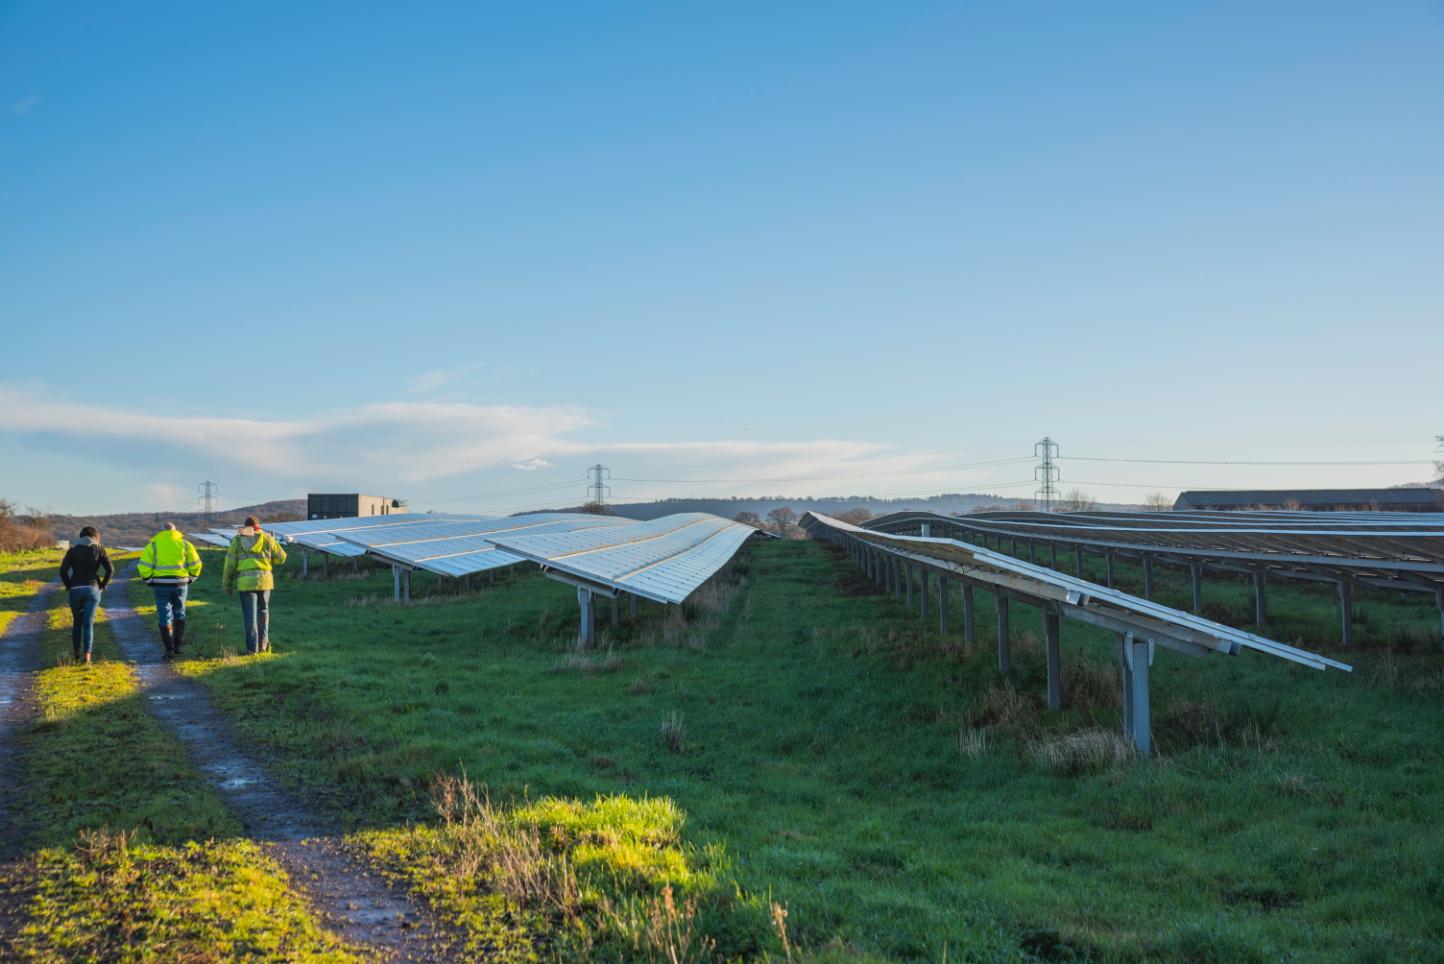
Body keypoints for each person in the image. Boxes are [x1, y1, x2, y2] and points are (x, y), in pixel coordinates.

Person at [223, 516, 287, 655]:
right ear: (258, 526)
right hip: (264, 582)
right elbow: (281, 558)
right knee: (263, 612)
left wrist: (227, 586)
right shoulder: (267, 539)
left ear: (245, 527)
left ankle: (252, 650)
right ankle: (263, 646)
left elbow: (229, 565)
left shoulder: (237, 540)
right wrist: (272, 544)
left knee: (250, 617)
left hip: (246, 583)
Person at [138, 523, 203, 659]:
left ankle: (169, 649)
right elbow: (196, 564)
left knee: (164, 616)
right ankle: (178, 646)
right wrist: (190, 579)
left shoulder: (153, 545)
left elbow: (143, 567)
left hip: (160, 585)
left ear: (162, 531)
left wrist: (149, 581)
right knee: (180, 612)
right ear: (175, 531)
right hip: (181, 584)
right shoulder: (185, 544)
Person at [58, 526, 114, 665]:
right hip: (92, 589)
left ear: (81, 537)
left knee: (77, 622)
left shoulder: (72, 550)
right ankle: (87, 655)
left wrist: (69, 586)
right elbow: (110, 570)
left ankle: (76, 652)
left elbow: (63, 571)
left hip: (76, 589)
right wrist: (102, 586)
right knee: (88, 623)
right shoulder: (99, 549)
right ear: (95, 537)